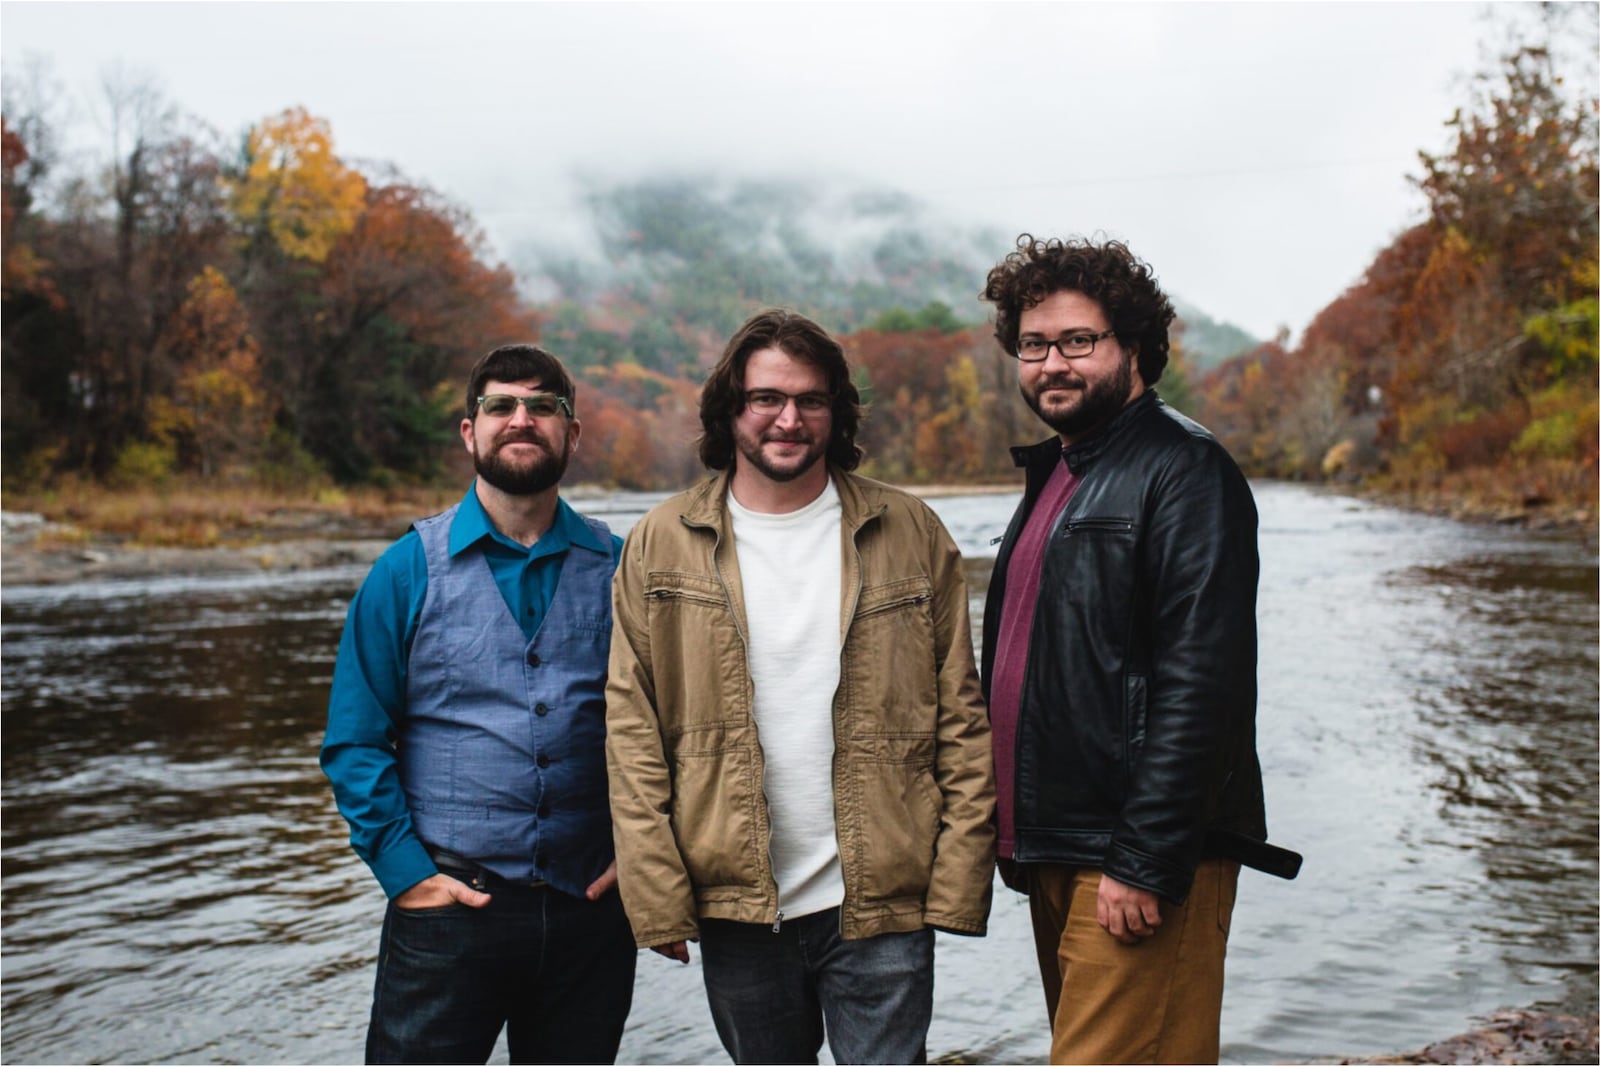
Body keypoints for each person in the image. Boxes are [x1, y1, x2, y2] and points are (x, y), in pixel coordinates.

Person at [604, 308, 996, 1065]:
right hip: (739, 907)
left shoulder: (910, 531)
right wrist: (656, 897)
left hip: (881, 901)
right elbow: (632, 731)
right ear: (731, 408)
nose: (789, 419)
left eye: (811, 400)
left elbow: (962, 717)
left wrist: (955, 880)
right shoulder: (658, 543)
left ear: (836, 411)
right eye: (766, 399)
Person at [978, 236, 1302, 1065]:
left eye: (1078, 341)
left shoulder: (1184, 470)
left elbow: (1206, 683)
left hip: (1132, 858)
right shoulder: (1060, 471)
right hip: (1057, 847)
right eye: (1035, 345)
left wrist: (1145, 859)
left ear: (1134, 347)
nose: (1054, 363)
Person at [321, 344, 636, 1065]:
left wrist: (646, 857)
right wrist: (406, 875)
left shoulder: (623, 568)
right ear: (470, 431)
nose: (520, 420)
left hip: (591, 913)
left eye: (543, 407)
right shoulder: (405, 570)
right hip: (446, 912)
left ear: (572, 433)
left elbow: (672, 729)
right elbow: (355, 742)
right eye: (500, 405)